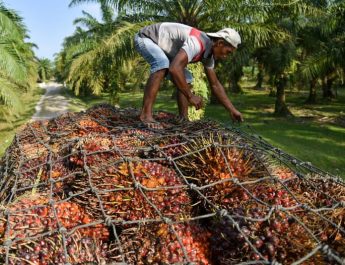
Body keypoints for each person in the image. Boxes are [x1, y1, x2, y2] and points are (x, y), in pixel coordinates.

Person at [134, 22, 244, 128]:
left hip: (163, 50)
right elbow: (174, 68)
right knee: (161, 64)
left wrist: (232, 110)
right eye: (228, 52)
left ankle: (183, 119)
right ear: (220, 43)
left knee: (187, 78)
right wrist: (190, 96)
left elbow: (215, 85)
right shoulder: (197, 43)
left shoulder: (208, 55)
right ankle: (145, 115)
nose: (226, 56)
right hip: (146, 38)